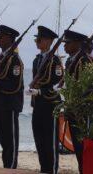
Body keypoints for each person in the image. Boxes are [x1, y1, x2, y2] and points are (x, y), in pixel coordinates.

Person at [0, 25, 23, 169]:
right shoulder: (3, 57)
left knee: (11, 141)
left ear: (9, 38)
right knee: (4, 141)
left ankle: (11, 168)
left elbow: (15, 85)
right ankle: (7, 166)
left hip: (9, 105)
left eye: (1, 37)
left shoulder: (14, 60)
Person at [26, 25, 62, 174]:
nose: (37, 42)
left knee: (50, 143)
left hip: (51, 105)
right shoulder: (37, 60)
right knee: (40, 141)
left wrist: (40, 91)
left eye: (40, 39)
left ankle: (51, 171)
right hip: (38, 105)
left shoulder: (55, 61)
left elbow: (58, 85)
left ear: (48, 41)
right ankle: (44, 170)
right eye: (37, 39)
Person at [63, 29, 92, 174]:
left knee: (83, 149)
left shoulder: (84, 61)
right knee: (78, 149)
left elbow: (87, 88)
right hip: (73, 111)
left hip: (82, 112)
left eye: (68, 43)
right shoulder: (70, 61)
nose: (65, 46)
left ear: (78, 43)